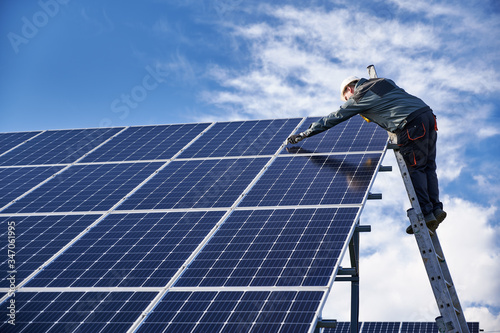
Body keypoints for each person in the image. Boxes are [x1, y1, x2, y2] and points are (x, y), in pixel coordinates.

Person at [287, 76, 446, 234]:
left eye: (346, 98)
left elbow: (335, 117)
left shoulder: (359, 95)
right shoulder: (383, 82)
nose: (347, 101)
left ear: (349, 89)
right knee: (428, 167)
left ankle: (426, 213)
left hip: (409, 124)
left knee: (415, 168)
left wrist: (306, 133)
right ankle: (436, 209)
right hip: (427, 116)